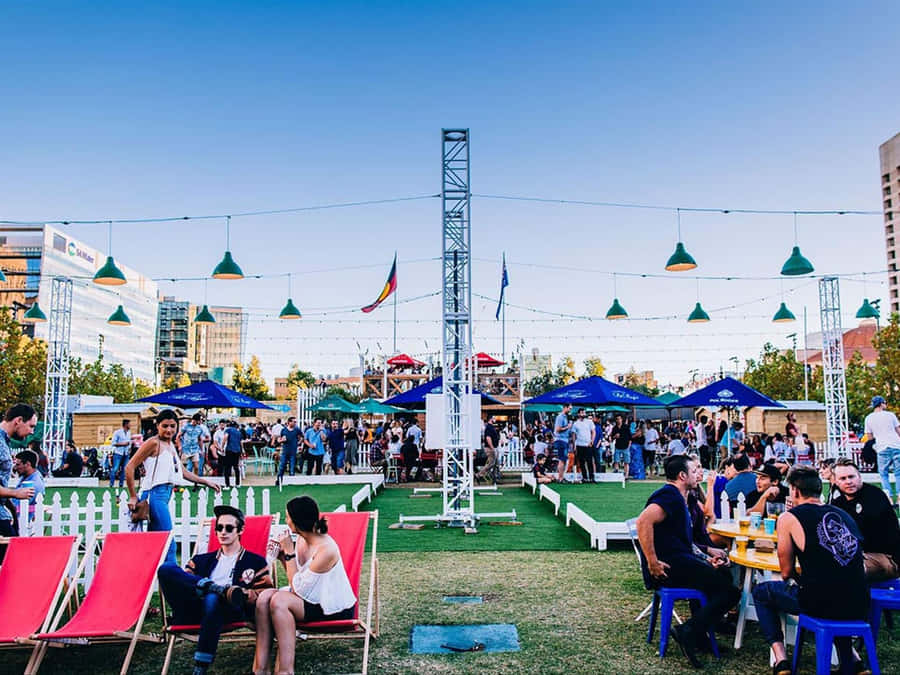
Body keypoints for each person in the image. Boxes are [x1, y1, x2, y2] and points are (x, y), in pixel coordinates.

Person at [751, 466, 870, 675]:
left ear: (795, 491)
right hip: (860, 601)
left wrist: (802, 578)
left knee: (761, 592)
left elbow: (786, 572)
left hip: (820, 602)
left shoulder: (789, 518)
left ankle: (781, 660)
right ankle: (854, 661)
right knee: (835, 593)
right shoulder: (843, 514)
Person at [636, 455, 740, 668]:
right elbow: (643, 521)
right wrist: (652, 561)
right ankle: (689, 631)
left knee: (722, 576)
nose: (698, 474)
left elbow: (686, 541)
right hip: (668, 567)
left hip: (681, 561)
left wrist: (707, 558)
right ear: (682, 476)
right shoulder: (669, 496)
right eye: (694, 471)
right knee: (731, 592)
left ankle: (699, 636)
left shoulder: (682, 498)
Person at [157, 505, 273, 675]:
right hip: (193, 608)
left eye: (229, 528)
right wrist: (214, 589)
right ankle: (213, 587)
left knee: (213, 598)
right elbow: (184, 584)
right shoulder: (201, 560)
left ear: (240, 530)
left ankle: (200, 667)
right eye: (219, 528)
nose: (223, 532)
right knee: (166, 568)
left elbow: (264, 593)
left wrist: (240, 592)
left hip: (229, 610)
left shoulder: (255, 562)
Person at [253, 496, 357, 674]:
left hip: (331, 607)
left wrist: (289, 552)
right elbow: (299, 579)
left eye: (287, 517)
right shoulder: (302, 539)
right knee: (264, 598)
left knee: (279, 601)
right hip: (310, 598)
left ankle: (285, 670)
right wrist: (282, 556)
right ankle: (260, 668)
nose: (286, 522)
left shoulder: (326, 549)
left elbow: (298, 590)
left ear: (297, 522)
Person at [126, 409, 221, 565]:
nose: (169, 430)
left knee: (156, 545)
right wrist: (132, 495)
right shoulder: (153, 443)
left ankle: (161, 583)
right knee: (169, 544)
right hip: (154, 495)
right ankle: (173, 584)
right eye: (165, 426)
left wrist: (206, 482)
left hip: (165, 494)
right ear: (157, 426)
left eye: (172, 426)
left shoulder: (170, 445)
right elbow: (130, 467)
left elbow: (182, 472)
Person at [832, 458, 900, 582]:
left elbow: (866, 532)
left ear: (859, 477)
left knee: (851, 569)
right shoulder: (838, 503)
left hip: (887, 557)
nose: (848, 482)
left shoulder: (874, 496)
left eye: (851, 477)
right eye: (843, 478)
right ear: (836, 482)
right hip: (855, 556)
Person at [0, 405, 37, 554]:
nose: (32, 432)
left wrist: (9, 506)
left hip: (3, 513)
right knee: (14, 562)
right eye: (31, 426)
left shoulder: (5, 442)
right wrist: (16, 494)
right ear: (19, 420)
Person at [864, 395, 900, 507]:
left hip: (881, 447)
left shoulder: (869, 418)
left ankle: (888, 497)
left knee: (883, 474)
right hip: (895, 445)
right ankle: (899, 498)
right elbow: (898, 430)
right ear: (882, 403)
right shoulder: (890, 415)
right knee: (898, 473)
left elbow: (869, 436)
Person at [13, 449, 45, 524]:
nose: (15, 468)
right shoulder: (27, 477)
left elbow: (16, 506)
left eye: (18, 465)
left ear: (27, 464)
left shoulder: (33, 484)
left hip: (21, 523)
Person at [179, 413, 211, 478]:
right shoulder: (186, 426)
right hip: (186, 450)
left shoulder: (200, 428)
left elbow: (200, 439)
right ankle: (185, 481)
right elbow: (178, 436)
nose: (201, 421)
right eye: (200, 420)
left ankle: (195, 482)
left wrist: (202, 450)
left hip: (195, 450)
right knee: (187, 467)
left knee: (197, 467)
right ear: (196, 420)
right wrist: (180, 446)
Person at [571, 409, 595, 483]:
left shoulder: (589, 422)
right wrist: (574, 445)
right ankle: (584, 477)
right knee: (581, 462)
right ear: (578, 414)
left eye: (584, 413)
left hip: (588, 444)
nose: (583, 414)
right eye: (581, 413)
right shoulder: (575, 424)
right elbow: (573, 435)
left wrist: (592, 441)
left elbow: (593, 431)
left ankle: (591, 478)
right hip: (579, 445)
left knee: (589, 461)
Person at [276, 417, 302, 484]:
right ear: (289, 422)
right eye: (294, 422)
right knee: (282, 467)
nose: (295, 423)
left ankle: (291, 482)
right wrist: (281, 440)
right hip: (285, 452)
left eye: (295, 422)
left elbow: (302, 437)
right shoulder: (283, 430)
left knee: (292, 468)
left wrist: (299, 443)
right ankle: (278, 481)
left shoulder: (297, 430)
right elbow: (279, 439)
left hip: (293, 452)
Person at [476, 415, 501, 483]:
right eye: (494, 418)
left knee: (495, 464)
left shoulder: (491, 427)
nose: (495, 419)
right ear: (490, 419)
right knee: (491, 463)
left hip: (494, 447)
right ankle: (479, 474)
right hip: (490, 448)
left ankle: (495, 479)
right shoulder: (489, 427)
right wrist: (492, 447)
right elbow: (488, 438)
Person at [552, 404, 573, 482]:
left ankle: (561, 477)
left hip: (565, 440)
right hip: (560, 440)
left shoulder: (566, 417)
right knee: (562, 459)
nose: (570, 410)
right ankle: (560, 477)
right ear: (565, 408)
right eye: (569, 408)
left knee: (564, 459)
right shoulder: (560, 417)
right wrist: (568, 427)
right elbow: (558, 429)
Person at [110, 418, 133, 488]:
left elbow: (129, 442)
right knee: (115, 468)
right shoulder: (117, 432)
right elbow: (113, 443)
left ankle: (121, 484)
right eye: (129, 424)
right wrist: (123, 444)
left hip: (126, 453)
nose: (130, 425)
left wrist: (129, 448)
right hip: (118, 453)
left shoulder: (129, 433)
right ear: (126, 424)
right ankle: (111, 484)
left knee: (124, 469)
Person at [220, 421, 243, 488]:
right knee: (236, 467)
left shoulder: (228, 430)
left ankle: (227, 485)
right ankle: (238, 484)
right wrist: (242, 451)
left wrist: (222, 447)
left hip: (230, 450)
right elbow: (241, 443)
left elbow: (225, 438)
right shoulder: (239, 432)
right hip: (237, 450)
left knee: (227, 467)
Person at [611, 413, 631, 480]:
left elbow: (630, 438)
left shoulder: (626, 427)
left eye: (619, 419)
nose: (618, 420)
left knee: (626, 462)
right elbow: (611, 438)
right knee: (616, 461)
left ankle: (626, 476)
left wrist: (629, 446)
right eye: (617, 419)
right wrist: (615, 436)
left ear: (621, 419)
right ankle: (617, 475)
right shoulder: (614, 428)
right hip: (618, 446)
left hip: (625, 446)